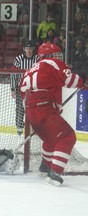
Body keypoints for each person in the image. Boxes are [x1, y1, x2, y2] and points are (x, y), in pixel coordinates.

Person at [19, 42, 88, 186]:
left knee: (51, 140)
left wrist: (46, 109)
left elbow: (24, 95)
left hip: (31, 111)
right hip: (43, 109)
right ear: (47, 56)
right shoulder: (51, 63)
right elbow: (69, 80)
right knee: (67, 136)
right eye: (55, 55)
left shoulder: (30, 69)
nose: (58, 58)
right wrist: (83, 81)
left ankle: (46, 165)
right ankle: (54, 172)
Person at [10, 41, 39, 135]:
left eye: (30, 48)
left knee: (34, 107)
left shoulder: (37, 59)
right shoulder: (18, 59)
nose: (29, 50)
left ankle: (33, 126)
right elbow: (13, 74)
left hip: (33, 88)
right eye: (27, 48)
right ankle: (19, 126)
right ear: (24, 49)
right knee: (20, 107)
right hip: (20, 88)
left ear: (33, 49)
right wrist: (13, 89)